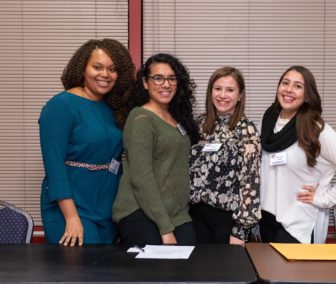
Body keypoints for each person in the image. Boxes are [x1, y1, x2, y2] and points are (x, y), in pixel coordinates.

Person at [39, 38, 135, 246]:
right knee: (80, 271)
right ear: (83, 68)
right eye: (97, 67)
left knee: (106, 274)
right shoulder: (61, 105)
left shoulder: (112, 109)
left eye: (112, 69)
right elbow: (54, 167)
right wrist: (72, 218)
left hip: (106, 208)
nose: (105, 75)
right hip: (71, 208)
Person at [259, 65, 336, 244]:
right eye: (285, 83)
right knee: (265, 272)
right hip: (267, 217)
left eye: (298, 86)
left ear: (307, 95)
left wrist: (325, 199)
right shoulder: (269, 121)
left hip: (297, 223)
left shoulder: (315, 129)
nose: (289, 89)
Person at [112, 53, 199, 246]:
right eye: (158, 78)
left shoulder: (175, 118)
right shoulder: (141, 119)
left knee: (192, 270)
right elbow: (142, 179)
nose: (166, 84)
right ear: (145, 82)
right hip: (142, 213)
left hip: (177, 215)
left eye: (171, 78)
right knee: (160, 273)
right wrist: (164, 227)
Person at [189, 66, 261, 246]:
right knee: (196, 271)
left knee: (223, 271)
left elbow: (250, 182)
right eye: (218, 88)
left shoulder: (246, 129)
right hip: (194, 216)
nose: (222, 95)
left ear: (240, 95)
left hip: (226, 220)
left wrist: (241, 229)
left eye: (230, 90)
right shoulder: (199, 125)